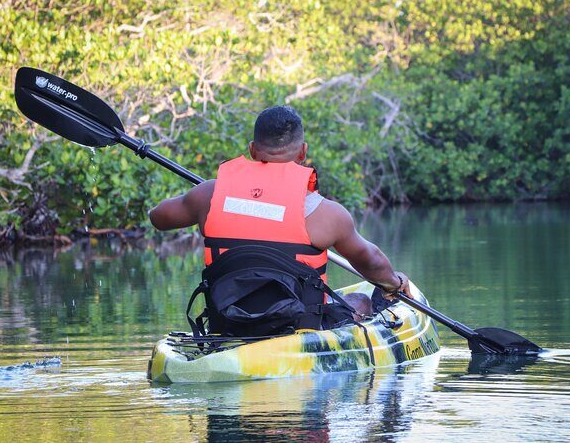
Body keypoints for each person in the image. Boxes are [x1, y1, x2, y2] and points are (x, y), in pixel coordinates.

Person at [149, 106, 412, 314]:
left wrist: (208, 194)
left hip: (228, 320)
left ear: (252, 150)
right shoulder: (327, 214)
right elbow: (372, 261)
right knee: (361, 301)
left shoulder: (208, 195)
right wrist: (395, 283)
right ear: (303, 153)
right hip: (299, 325)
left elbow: (157, 217)